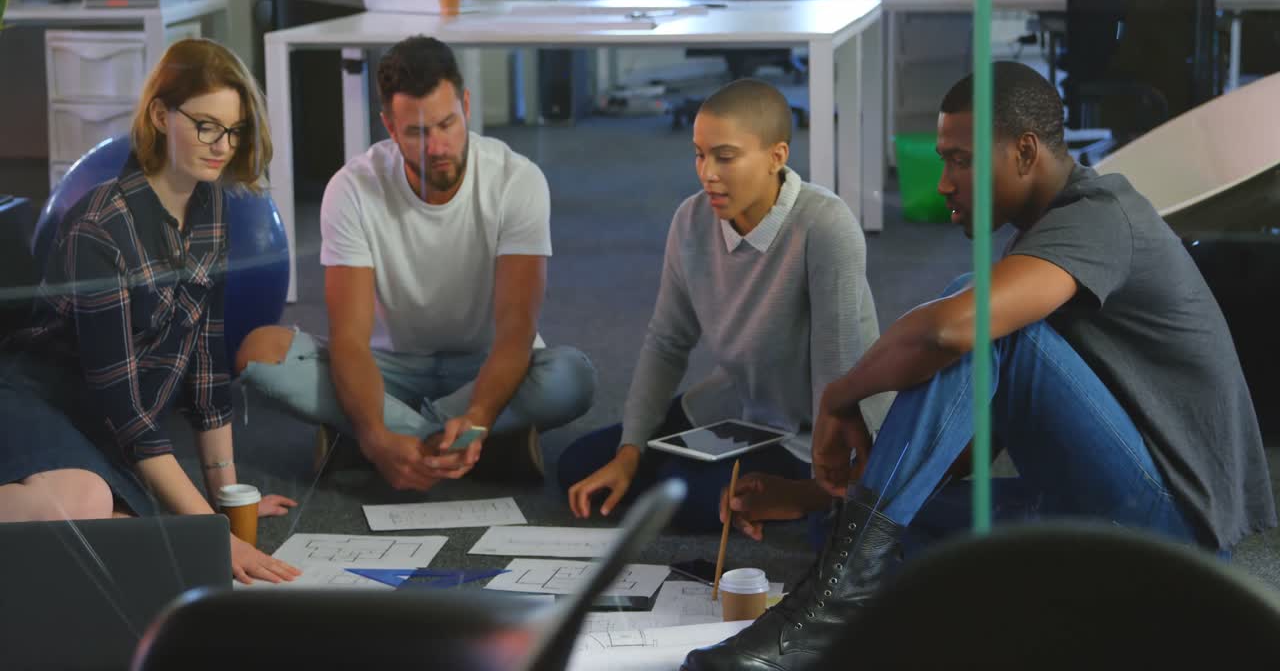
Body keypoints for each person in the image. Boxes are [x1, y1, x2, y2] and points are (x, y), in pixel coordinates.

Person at [682, 61, 1278, 670]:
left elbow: (951, 330)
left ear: (1024, 152)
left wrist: (840, 396)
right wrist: (820, 492)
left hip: (1173, 529)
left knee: (980, 316)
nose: (944, 182)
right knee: (850, 526)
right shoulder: (1044, 238)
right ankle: (1053, 603)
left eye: (961, 160)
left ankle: (827, 617)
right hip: (1082, 500)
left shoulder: (1102, 216)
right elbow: (969, 429)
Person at [0, 39, 302, 585]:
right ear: (161, 114)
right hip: (43, 406)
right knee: (88, 500)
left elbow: (208, 369)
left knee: (132, 554)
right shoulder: (101, 227)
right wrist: (215, 533)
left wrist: (229, 501)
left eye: (232, 131)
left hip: (108, 432)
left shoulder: (211, 206)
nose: (222, 146)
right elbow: (129, 413)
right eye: (206, 125)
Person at [235, 36, 595, 492]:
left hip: (484, 366)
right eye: (417, 133)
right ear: (389, 125)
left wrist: (478, 415)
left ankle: (387, 438)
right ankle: (467, 443)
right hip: (386, 368)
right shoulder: (352, 188)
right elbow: (349, 340)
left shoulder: (516, 180)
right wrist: (376, 434)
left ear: (465, 105)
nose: (438, 146)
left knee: (571, 376)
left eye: (447, 124)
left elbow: (515, 332)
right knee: (259, 352)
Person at [559, 78, 893, 532]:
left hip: (815, 429)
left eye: (725, 156)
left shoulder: (824, 225)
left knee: (682, 497)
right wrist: (631, 450)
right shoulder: (692, 220)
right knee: (581, 465)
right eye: (699, 153)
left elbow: (837, 373)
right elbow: (666, 342)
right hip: (743, 404)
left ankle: (762, 492)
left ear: (777, 156)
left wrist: (821, 482)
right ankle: (686, 476)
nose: (707, 173)